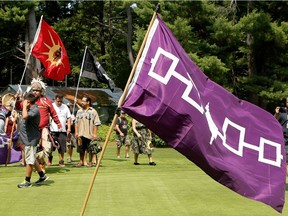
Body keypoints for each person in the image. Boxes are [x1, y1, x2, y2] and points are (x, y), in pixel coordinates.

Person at [16, 78, 61, 172]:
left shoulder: (46, 101)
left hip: (43, 129)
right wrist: (17, 100)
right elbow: (19, 107)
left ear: (41, 91)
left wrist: (58, 123)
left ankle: (42, 165)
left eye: (37, 90)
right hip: (30, 130)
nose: (35, 92)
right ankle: (37, 166)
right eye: (34, 90)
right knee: (31, 149)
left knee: (43, 149)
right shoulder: (29, 100)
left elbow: (53, 112)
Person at [17, 93, 49, 188]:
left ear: (28, 102)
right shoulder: (30, 108)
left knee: (29, 161)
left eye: (24, 101)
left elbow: (25, 116)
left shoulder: (34, 110)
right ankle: (42, 176)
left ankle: (27, 181)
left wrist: (24, 108)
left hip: (30, 139)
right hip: (27, 139)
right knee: (32, 158)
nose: (22, 103)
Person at [74, 96, 101, 167]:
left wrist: (95, 134)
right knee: (81, 148)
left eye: (83, 101)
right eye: (81, 101)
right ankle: (81, 162)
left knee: (90, 148)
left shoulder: (93, 111)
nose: (82, 102)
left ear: (88, 102)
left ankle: (89, 162)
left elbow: (96, 123)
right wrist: (76, 132)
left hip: (89, 134)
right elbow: (76, 122)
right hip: (80, 133)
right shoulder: (79, 111)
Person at [50, 94, 71, 167]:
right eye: (58, 101)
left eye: (61, 101)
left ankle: (61, 161)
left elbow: (69, 118)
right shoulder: (51, 106)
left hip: (62, 130)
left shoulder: (65, 107)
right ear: (55, 99)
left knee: (62, 147)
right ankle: (49, 159)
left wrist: (69, 128)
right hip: (52, 129)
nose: (59, 103)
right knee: (50, 147)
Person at [274, 96, 288, 176]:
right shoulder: (282, 115)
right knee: (284, 162)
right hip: (283, 140)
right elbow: (273, 122)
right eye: (287, 102)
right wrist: (276, 113)